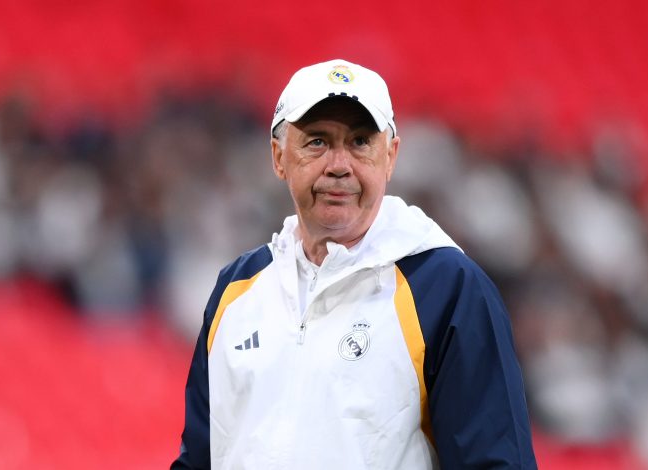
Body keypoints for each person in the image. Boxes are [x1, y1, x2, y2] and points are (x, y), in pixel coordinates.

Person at [171, 59, 537, 469]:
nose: (339, 164)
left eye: (360, 142)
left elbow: (496, 462)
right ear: (278, 157)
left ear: (390, 157)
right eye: (317, 142)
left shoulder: (447, 287)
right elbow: (200, 457)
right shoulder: (236, 290)